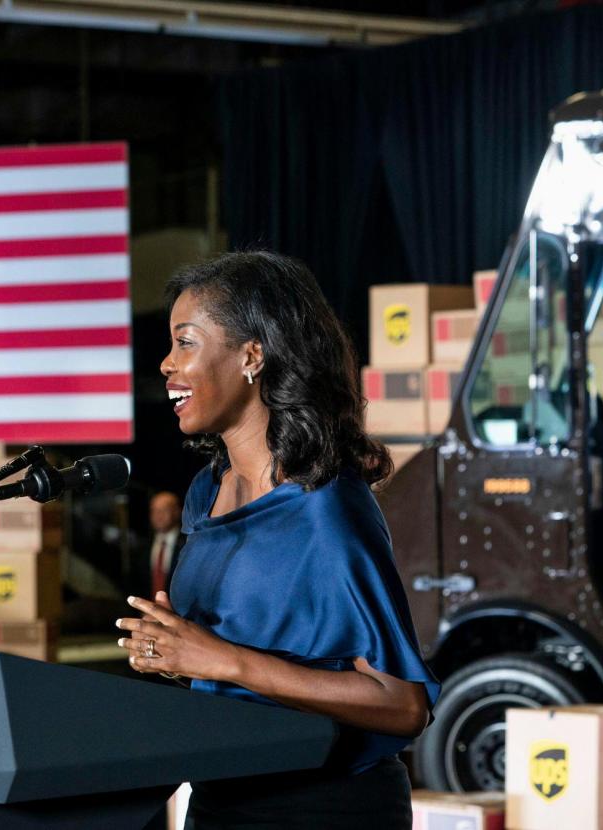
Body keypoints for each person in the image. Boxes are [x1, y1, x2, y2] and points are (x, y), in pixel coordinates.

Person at [117, 252, 439, 829]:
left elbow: (402, 704)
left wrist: (221, 660)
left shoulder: (324, 506)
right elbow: (247, 658)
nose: (166, 363)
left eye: (185, 342)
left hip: (322, 809)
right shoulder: (205, 492)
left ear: (251, 356)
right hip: (222, 800)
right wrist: (176, 657)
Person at [147, 491, 184, 596]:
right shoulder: (143, 546)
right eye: (154, 511)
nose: (158, 515)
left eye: (164, 510)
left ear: (177, 511)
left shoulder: (189, 544)